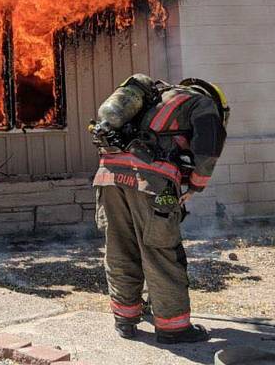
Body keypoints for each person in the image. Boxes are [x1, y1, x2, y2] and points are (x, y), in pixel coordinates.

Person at [89, 74, 229, 344]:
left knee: (120, 248)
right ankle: (173, 328)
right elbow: (208, 149)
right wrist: (196, 186)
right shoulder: (202, 104)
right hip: (151, 182)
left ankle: (125, 319)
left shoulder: (152, 98)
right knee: (160, 251)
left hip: (108, 176)